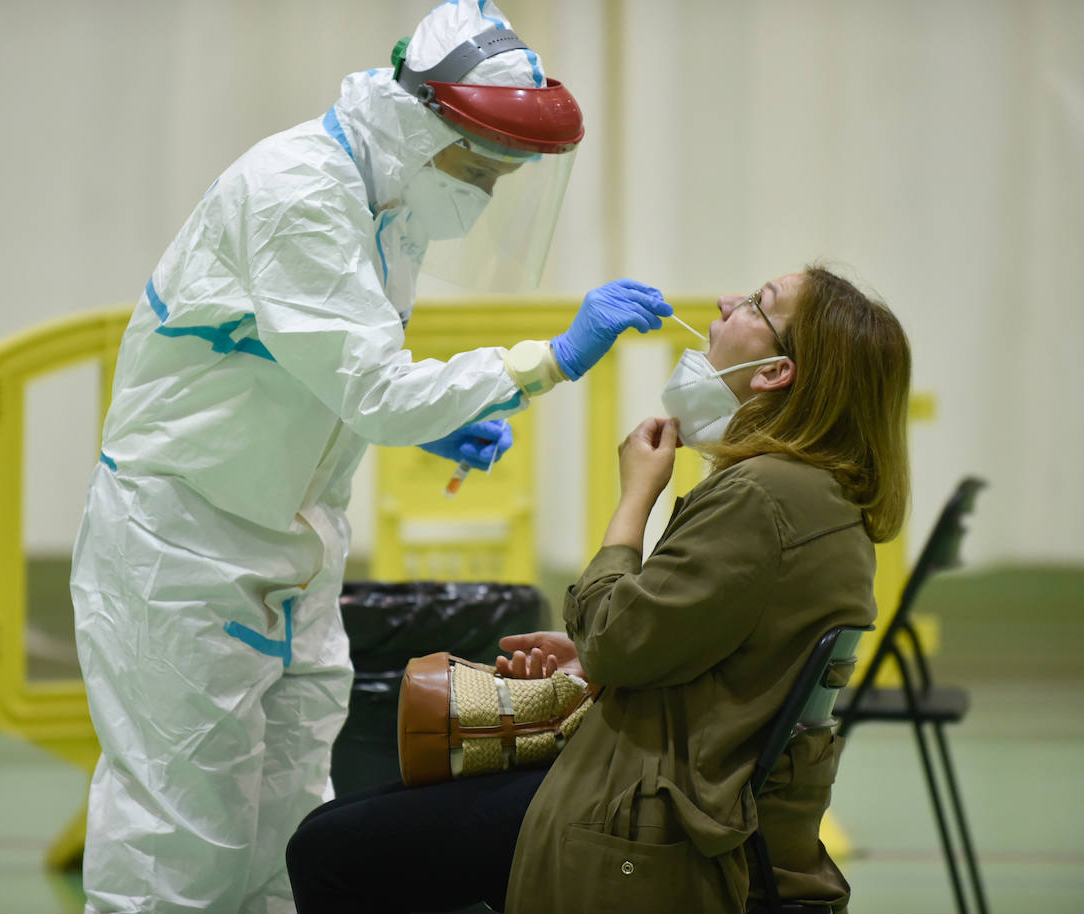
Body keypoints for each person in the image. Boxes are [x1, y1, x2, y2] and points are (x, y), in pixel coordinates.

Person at [67, 3, 671, 912]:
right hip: (186, 553)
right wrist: (549, 359)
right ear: (420, 119)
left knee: (286, 838)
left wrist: (427, 421)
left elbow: (313, 361)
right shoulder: (301, 195)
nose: (488, 190)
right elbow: (374, 387)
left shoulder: (386, 203)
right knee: (177, 842)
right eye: (483, 166)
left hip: (289, 548)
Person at [285, 265, 912, 913]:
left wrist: (636, 497)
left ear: (775, 373)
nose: (726, 300)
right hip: (695, 798)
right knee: (361, 825)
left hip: (652, 816)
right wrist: (587, 657)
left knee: (327, 850)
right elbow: (700, 646)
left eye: (757, 303)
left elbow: (615, 640)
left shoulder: (763, 494)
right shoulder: (818, 495)